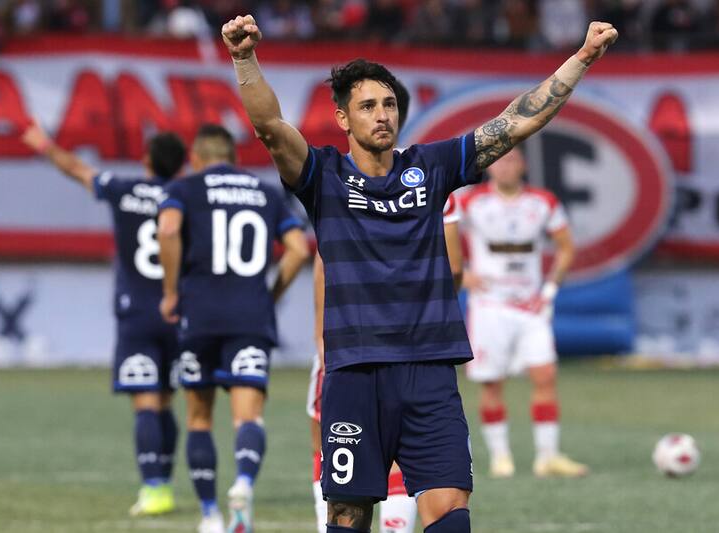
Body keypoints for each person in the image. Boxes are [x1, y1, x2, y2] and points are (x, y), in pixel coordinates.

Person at [222, 14, 617, 532]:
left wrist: (582, 57)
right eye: (367, 106)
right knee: (348, 513)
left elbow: (518, 120)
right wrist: (244, 58)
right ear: (343, 119)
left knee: (451, 507)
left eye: (388, 104)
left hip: (429, 371)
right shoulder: (324, 176)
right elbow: (270, 129)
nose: (382, 115)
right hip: (355, 372)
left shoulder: (430, 167)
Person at [20, 123, 186, 517]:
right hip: (177, 312)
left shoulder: (123, 189)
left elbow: (78, 168)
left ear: (147, 159)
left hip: (136, 315)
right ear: (181, 166)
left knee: (145, 402)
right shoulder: (185, 197)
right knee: (166, 401)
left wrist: (43, 144)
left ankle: (154, 488)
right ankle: (165, 480)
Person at [157, 124, 310, 533]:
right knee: (249, 418)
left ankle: (209, 514)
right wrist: (270, 294)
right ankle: (243, 484)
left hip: (199, 315)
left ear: (196, 157)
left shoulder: (185, 188)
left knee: (200, 418)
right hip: (250, 317)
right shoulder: (265, 192)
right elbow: (299, 248)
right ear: (233, 156)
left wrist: (171, 291)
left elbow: (168, 228)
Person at [307, 194, 464, 533]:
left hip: (352, 349)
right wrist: (432, 313)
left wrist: (322, 334)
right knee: (445, 502)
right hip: (420, 349)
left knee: (345, 495)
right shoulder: (435, 185)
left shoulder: (336, 187)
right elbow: (454, 267)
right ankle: (396, 528)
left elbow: (323, 264)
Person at [460, 147, 586, 479]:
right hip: (490, 306)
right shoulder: (471, 202)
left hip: (531, 305)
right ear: (489, 167)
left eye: (512, 159)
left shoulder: (542, 202)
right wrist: (460, 274)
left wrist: (549, 291)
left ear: (523, 165)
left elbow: (566, 247)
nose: (505, 166)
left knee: (545, 375)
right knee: (491, 382)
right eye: (499, 160)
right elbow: (438, 236)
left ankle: (548, 456)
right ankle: (501, 457)